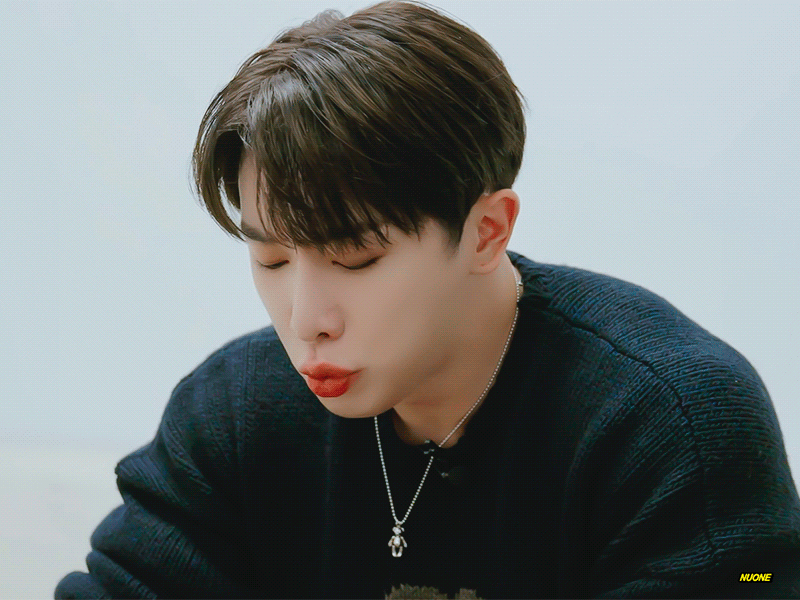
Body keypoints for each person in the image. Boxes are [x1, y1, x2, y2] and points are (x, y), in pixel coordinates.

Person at [55, 1, 800, 598]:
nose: (307, 321)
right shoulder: (236, 413)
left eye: (356, 257)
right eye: (271, 258)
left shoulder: (672, 421)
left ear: (486, 231)